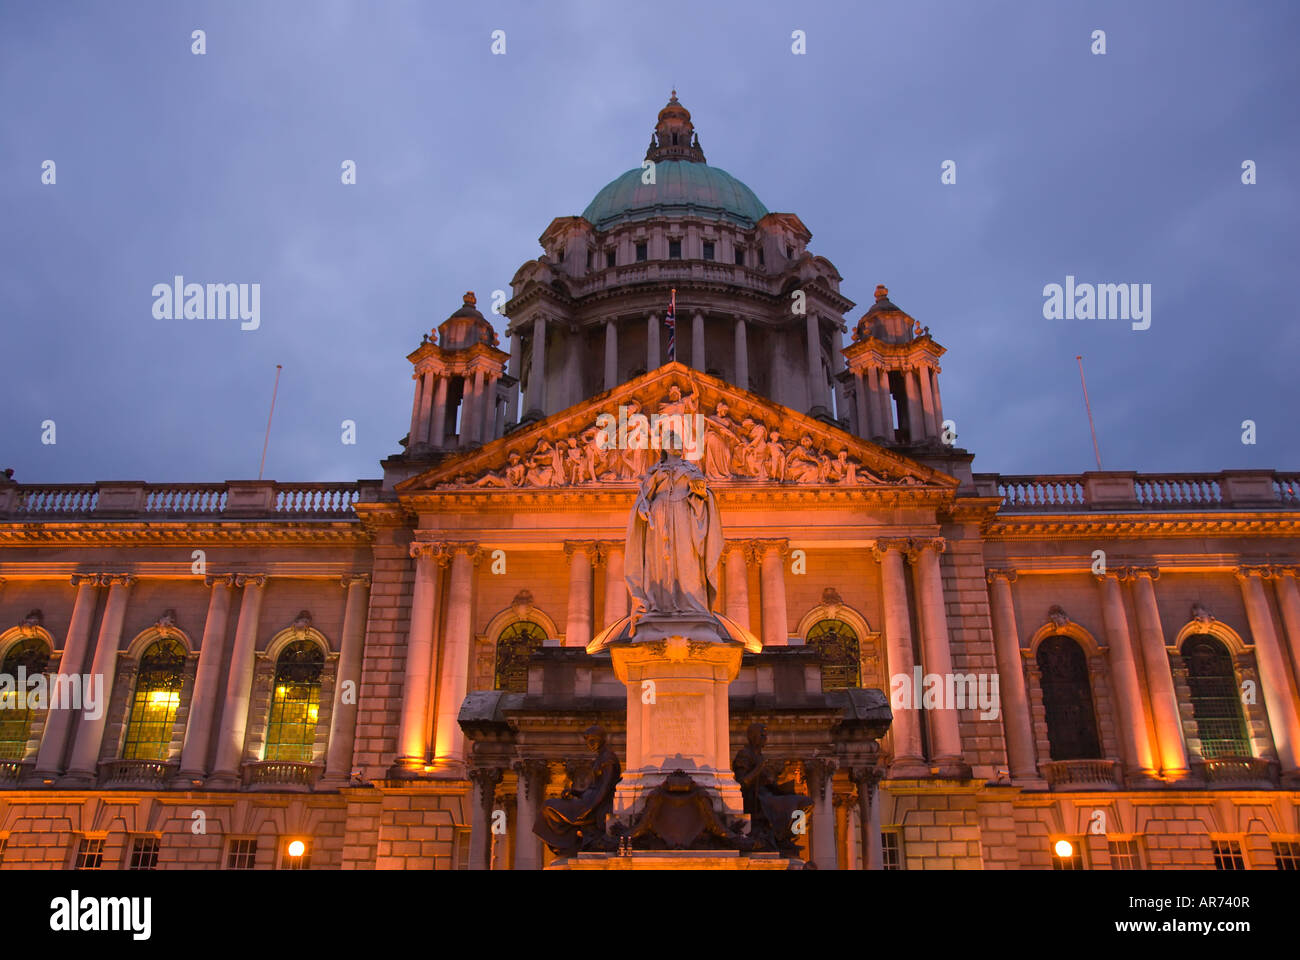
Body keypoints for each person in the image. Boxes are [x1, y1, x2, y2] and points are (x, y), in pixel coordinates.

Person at [533, 725, 621, 856]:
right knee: (548, 807)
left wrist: (590, 808)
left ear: (602, 739)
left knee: (548, 807)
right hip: (587, 800)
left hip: (592, 805)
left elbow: (605, 787)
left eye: (593, 739)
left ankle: (567, 843)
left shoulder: (608, 758)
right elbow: (596, 787)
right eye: (588, 741)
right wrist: (574, 792)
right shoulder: (601, 758)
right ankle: (568, 843)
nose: (590, 744)